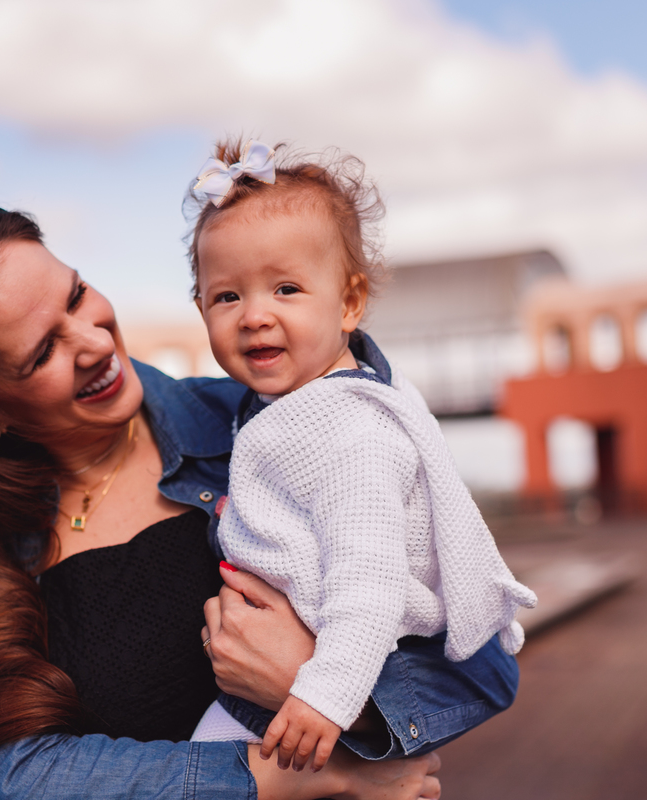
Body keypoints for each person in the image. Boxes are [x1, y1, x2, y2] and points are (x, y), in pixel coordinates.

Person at [0, 195, 501, 800]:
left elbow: (484, 666)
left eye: (76, 296)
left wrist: (327, 689)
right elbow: (18, 777)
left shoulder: (274, 432)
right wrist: (280, 779)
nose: (94, 343)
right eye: (43, 354)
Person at [185, 140, 536, 772]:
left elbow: (366, 581)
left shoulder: (349, 431)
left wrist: (327, 695)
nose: (254, 316)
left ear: (348, 303)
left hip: (332, 676)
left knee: (211, 772)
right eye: (226, 297)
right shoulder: (285, 406)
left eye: (286, 288)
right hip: (303, 667)